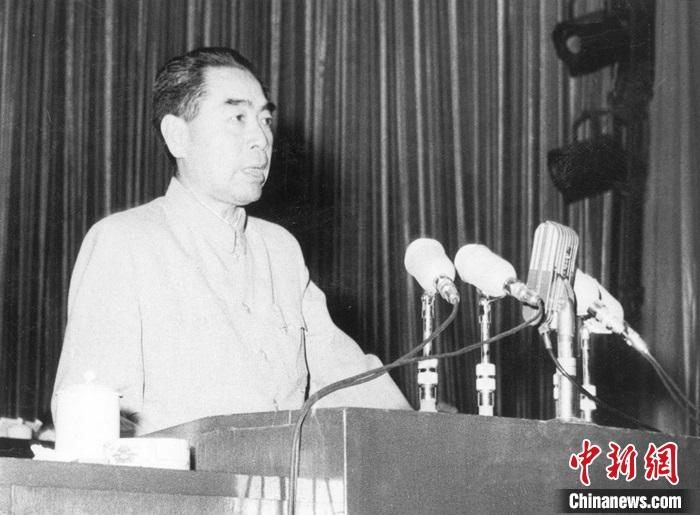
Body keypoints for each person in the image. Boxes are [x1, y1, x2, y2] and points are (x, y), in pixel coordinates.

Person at [52, 47, 411, 435]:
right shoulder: (124, 241)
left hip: (285, 473)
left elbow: (346, 376)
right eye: (238, 118)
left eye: (265, 120)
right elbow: (92, 418)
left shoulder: (280, 249)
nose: (261, 139)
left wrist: (420, 434)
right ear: (177, 136)